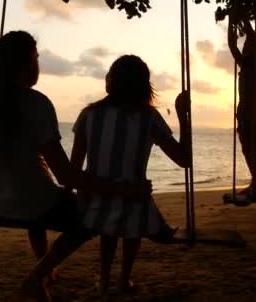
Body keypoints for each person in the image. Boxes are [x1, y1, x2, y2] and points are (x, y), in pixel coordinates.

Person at [0, 31, 152, 301]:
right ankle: (36, 277)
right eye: (37, 57)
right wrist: (122, 189)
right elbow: (66, 174)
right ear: (29, 62)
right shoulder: (36, 103)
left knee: (44, 192)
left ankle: (45, 267)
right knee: (90, 216)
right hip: (34, 204)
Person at [70, 55, 190, 295]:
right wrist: (182, 116)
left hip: (97, 204)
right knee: (133, 217)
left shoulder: (88, 115)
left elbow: (74, 168)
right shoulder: (149, 117)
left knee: (109, 228)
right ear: (144, 86)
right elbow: (183, 159)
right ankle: (124, 278)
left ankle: (104, 279)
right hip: (136, 201)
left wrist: (82, 197)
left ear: (110, 82)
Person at [228, 14, 256, 201]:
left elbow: (234, 45)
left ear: (255, 49)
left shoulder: (255, 65)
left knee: (254, 147)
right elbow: (239, 41)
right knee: (247, 147)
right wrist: (235, 19)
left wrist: (235, 23)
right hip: (247, 109)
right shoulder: (250, 64)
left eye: (248, 44)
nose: (245, 45)